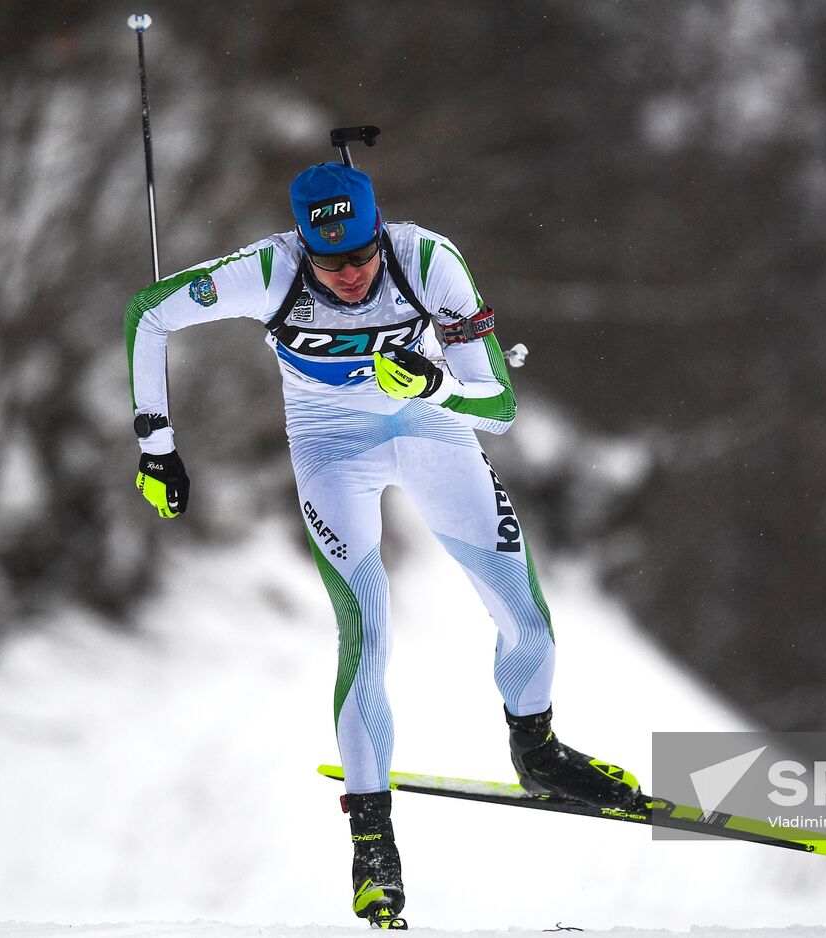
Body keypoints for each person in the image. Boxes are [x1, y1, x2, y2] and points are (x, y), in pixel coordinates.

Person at [123, 161, 640, 925]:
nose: (352, 277)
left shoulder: (428, 260)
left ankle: (538, 753)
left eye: (362, 256)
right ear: (304, 244)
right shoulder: (267, 270)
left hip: (433, 431)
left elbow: (496, 404)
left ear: (378, 232)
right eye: (331, 264)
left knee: (525, 615)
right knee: (364, 636)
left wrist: (432, 385)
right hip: (331, 450)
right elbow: (148, 311)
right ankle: (373, 847)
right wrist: (156, 445)